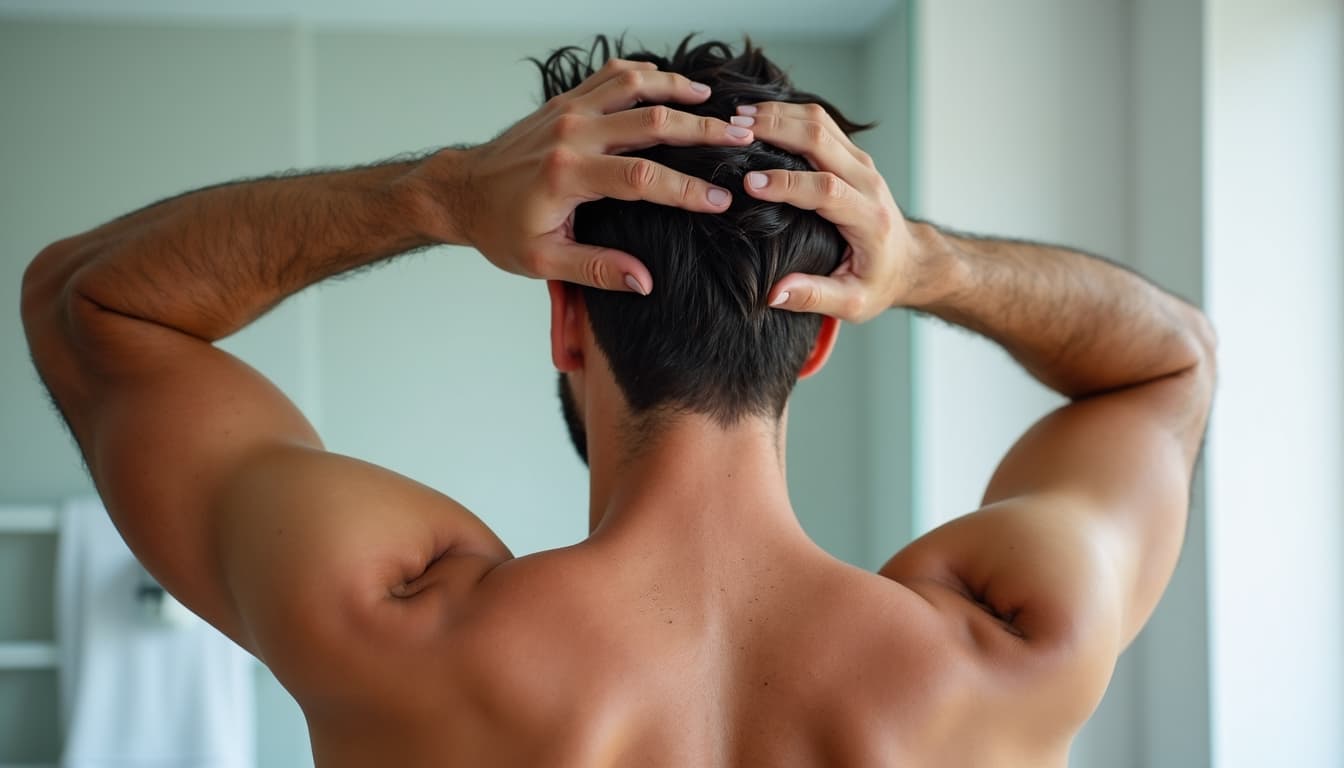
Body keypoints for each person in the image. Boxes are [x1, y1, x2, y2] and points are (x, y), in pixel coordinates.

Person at [21, 36, 1215, 767]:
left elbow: (88, 306)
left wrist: (435, 195)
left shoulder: (399, 626)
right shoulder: (1008, 648)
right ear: (816, 349)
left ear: (563, 321)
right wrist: (924, 264)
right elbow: (1171, 363)